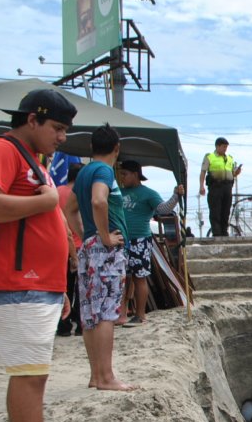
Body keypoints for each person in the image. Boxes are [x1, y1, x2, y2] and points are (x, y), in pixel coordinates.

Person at [0, 89, 87, 422]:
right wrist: (47, 202)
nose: (61, 137)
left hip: (33, 282)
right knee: (29, 376)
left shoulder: (28, 159)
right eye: (57, 128)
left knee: (27, 373)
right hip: (17, 279)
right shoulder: (2, 150)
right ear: (32, 120)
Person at [66, 124, 135, 392]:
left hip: (90, 248)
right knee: (106, 312)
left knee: (90, 314)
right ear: (116, 148)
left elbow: (68, 209)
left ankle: (96, 376)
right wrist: (104, 236)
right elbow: (99, 201)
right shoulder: (104, 170)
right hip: (105, 250)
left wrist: (86, 236)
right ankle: (106, 377)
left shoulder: (84, 172)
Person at [118, 159, 182, 324]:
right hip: (120, 241)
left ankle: (140, 315)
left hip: (140, 240)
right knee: (122, 278)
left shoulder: (148, 193)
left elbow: (164, 209)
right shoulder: (118, 192)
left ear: (135, 174)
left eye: (125, 174)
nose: (122, 177)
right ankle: (122, 314)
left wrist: (176, 196)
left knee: (139, 277)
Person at [56, 163, 83, 337]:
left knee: (62, 287)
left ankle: (63, 325)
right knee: (82, 290)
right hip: (79, 245)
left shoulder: (56, 192)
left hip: (58, 247)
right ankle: (81, 325)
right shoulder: (82, 194)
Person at [198, 137, 240, 237]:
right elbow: (203, 172)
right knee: (215, 210)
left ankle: (224, 231)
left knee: (226, 210)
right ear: (217, 146)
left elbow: (232, 173)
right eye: (224, 147)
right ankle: (216, 232)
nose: (225, 149)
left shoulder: (230, 158)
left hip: (227, 187)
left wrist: (236, 173)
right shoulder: (210, 157)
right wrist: (201, 186)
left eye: (226, 147)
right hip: (215, 186)